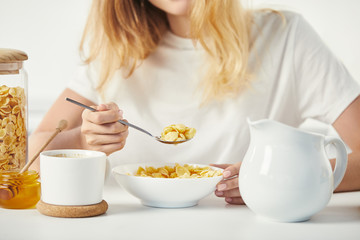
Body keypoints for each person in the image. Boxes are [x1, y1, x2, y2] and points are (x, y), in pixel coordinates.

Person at [29, 0, 360, 205]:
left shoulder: (286, 37)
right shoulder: (116, 51)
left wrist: (275, 178)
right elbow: (28, 158)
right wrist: (85, 141)